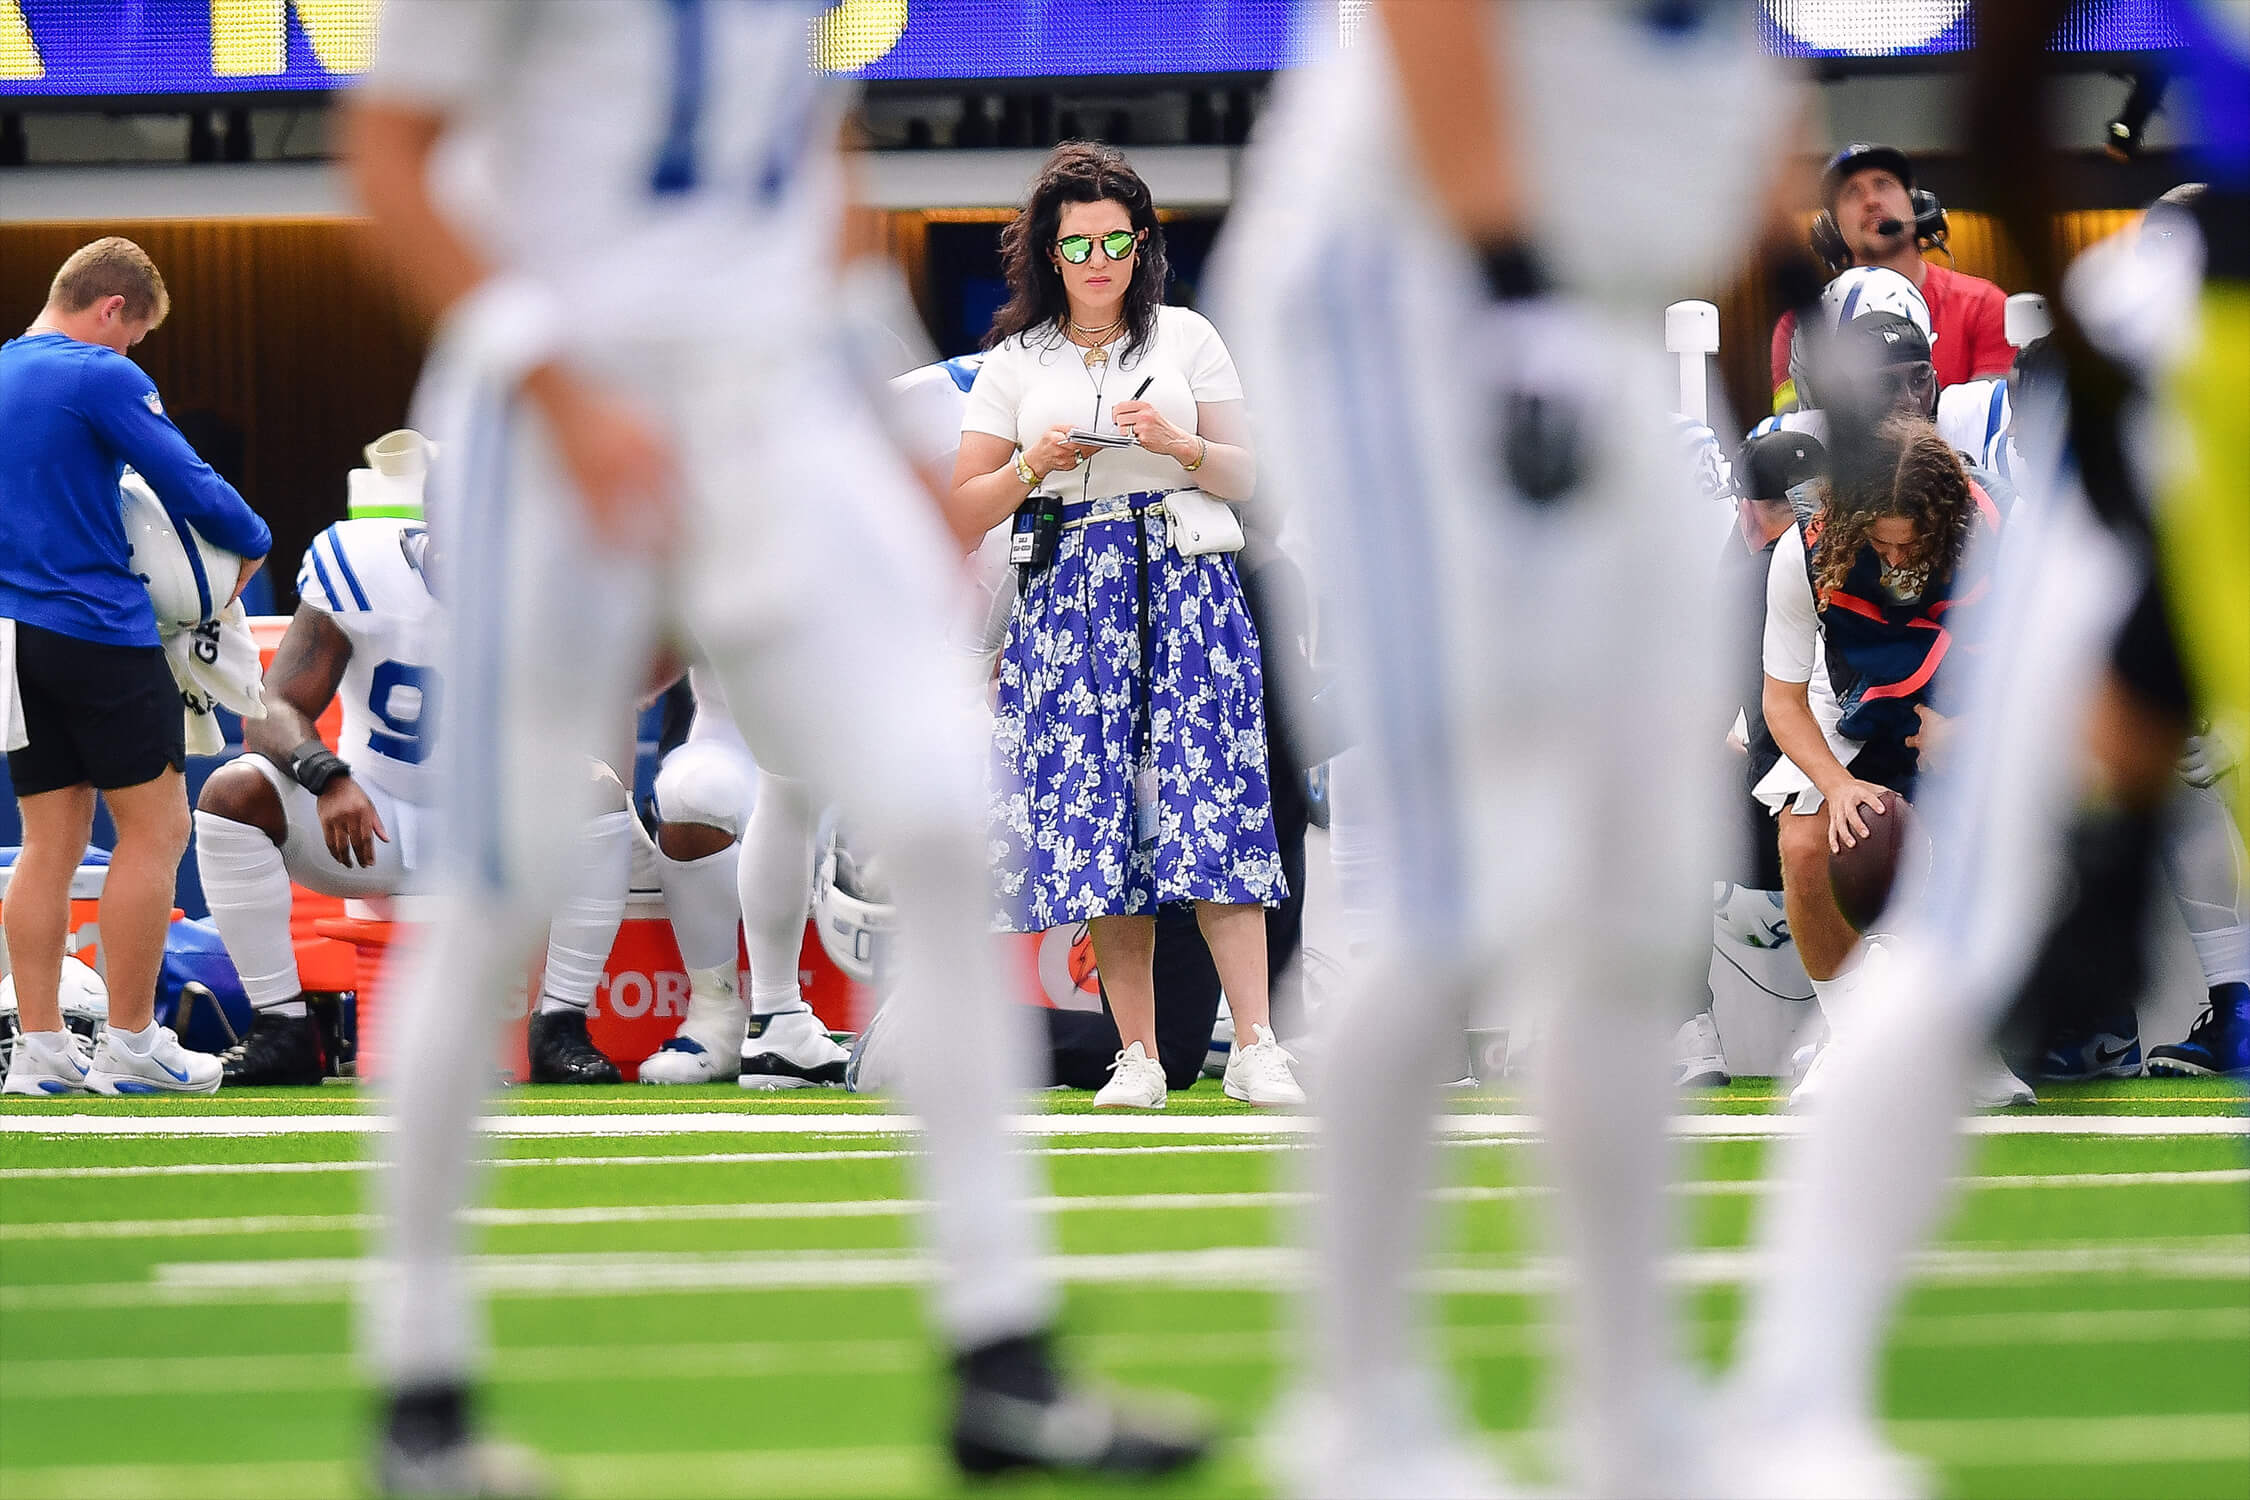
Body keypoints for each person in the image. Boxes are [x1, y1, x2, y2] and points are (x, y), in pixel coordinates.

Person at [343, 3, 1203, 1490]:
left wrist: (876, 451)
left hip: (768, 396)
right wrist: (563, 388)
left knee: (941, 808)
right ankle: (418, 1390)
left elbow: (797, 154)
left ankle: (1000, 1352)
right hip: (553, 392)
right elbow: (392, 154)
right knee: (493, 881)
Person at [1217, 2, 1803, 1491]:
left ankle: (1631, 1414)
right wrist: (1509, 277)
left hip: (1575, 309)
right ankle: (1356, 1407)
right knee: (1455, 861)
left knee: (1629, 875)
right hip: (1407, 295)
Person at [947, 141, 1302, 1110]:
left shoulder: (1188, 338)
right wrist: (1035, 465)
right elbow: (963, 506)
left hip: (1189, 573)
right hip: (1069, 587)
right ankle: (1135, 1052)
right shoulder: (1016, 361)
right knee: (1096, 813)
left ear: (1143, 245)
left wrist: (1180, 443)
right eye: (1079, 244)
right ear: (1048, 255)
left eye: (1117, 239)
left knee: (1216, 799)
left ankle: (1258, 1043)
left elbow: (1248, 475)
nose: (1100, 259)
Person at [191, 511, 638, 1086]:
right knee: (233, 791)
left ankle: (560, 1027)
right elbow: (268, 711)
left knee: (596, 791)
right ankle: (281, 1028)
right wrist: (327, 776)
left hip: (487, 829)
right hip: (369, 822)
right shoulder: (359, 566)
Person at [0, 237, 270, 1098]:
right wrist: (255, 546)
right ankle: (132, 1041)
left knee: (48, 843)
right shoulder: (97, 372)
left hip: (12, 636)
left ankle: (38, 1052)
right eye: (135, 336)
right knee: (157, 832)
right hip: (95, 629)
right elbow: (189, 483)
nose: (132, 354)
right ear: (111, 307)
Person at [1759, 408, 2033, 1109]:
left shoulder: (2005, 531)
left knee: (1995, 841)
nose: (1899, 561)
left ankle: (1969, 1042)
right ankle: (1849, 1038)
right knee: (1804, 841)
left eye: (1914, 545)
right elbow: (1782, 701)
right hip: (1853, 705)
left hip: (1975, 700)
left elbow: (2046, 674)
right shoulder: (1807, 546)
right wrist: (1838, 785)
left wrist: (1969, 729)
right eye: (1881, 545)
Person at [1770, 143, 2011, 411]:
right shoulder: (1799, 326)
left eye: (1883, 185)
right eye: (1852, 193)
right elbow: (1796, 430)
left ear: (1916, 202)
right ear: (1831, 227)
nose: (1871, 201)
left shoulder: (1985, 305)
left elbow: (1993, 424)